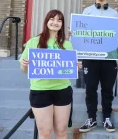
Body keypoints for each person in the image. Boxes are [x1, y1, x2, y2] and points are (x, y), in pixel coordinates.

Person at [20, 9, 81, 139]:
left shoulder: (67, 44)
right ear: (46, 21)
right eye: (52, 19)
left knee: (61, 131)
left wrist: (75, 67)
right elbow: (24, 70)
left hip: (62, 90)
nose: (55, 22)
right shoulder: (33, 42)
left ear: (62, 24)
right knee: (45, 133)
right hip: (40, 91)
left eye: (59, 20)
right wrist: (24, 65)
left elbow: (68, 70)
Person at [77, 0, 118, 133]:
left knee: (107, 89)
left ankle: (107, 118)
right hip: (90, 58)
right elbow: (82, 33)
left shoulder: (114, 13)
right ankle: (91, 118)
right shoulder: (86, 11)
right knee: (90, 89)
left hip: (108, 58)